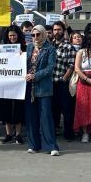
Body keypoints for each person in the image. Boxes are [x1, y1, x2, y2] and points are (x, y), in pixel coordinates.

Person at [25, 25, 60, 156]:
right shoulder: (28, 48)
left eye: (38, 34)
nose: (35, 37)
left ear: (44, 34)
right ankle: (34, 145)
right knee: (31, 117)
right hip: (29, 87)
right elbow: (23, 63)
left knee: (45, 117)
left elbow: (50, 68)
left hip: (43, 87)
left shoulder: (50, 49)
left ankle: (51, 146)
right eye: (33, 35)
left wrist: (35, 76)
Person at [0, 25, 26, 144]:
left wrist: (23, 55)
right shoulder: (2, 47)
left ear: (18, 35)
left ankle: (19, 134)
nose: (12, 37)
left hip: (19, 82)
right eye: (10, 35)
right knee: (6, 108)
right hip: (6, 81)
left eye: (14, 35)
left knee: (19, 108)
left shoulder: (24, 47)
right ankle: (9, 134)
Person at [50, 22, 76, 141]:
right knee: (53, 109)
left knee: (67, 109)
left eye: (59, 30)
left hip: (62, 82)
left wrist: (65, 78)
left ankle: (69, 134)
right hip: (50, 83)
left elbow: (71, 65)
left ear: (63, 31)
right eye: (55, 30)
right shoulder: (49, 45)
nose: (56, 32)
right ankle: (54, 131)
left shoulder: (69, 46)